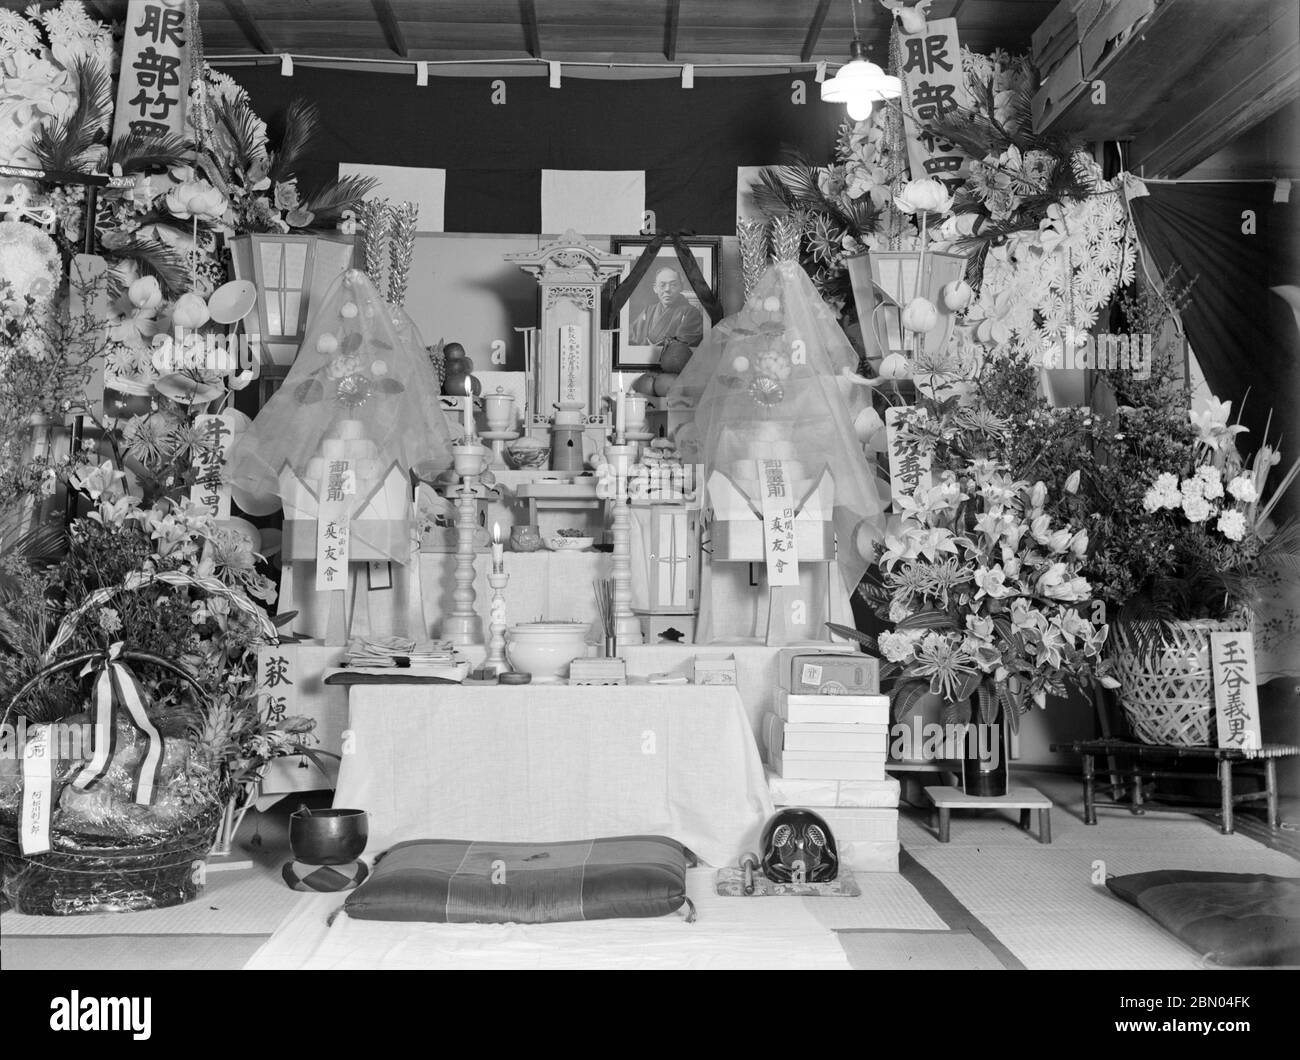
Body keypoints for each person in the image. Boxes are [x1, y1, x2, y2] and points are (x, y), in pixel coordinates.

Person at [629, 266, 704, 348]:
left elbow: (686, 341)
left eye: (673, 285)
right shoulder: (648, 310)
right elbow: (632, 335)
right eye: (662, 285)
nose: (667, 289)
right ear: (655, 288)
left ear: (681, 287)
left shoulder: (691, 313)